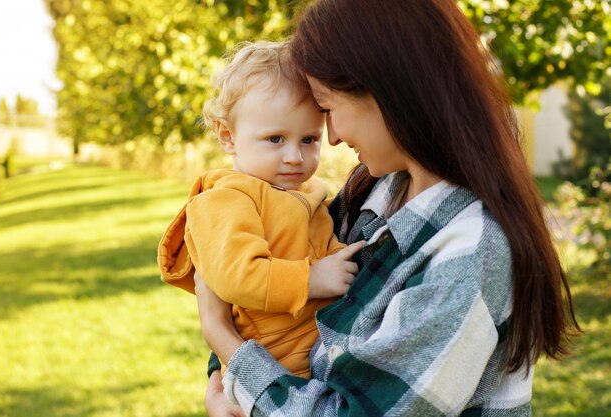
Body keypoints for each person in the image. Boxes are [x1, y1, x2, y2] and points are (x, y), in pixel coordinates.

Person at [195, 0, 580, 416]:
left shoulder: (470, 253)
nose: (333, 137)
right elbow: (261, 314)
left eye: (328, 108)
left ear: (389, 93)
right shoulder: (371, 197)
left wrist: (222, 338)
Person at [157, 40, 364, 379]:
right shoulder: (225, 199)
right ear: (228, 137)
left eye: (309, 139)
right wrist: (311, 279)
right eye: (275, 139)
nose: (294, 156)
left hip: (319, 343)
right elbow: (236, 275)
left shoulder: (303, 192)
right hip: (278, 357)